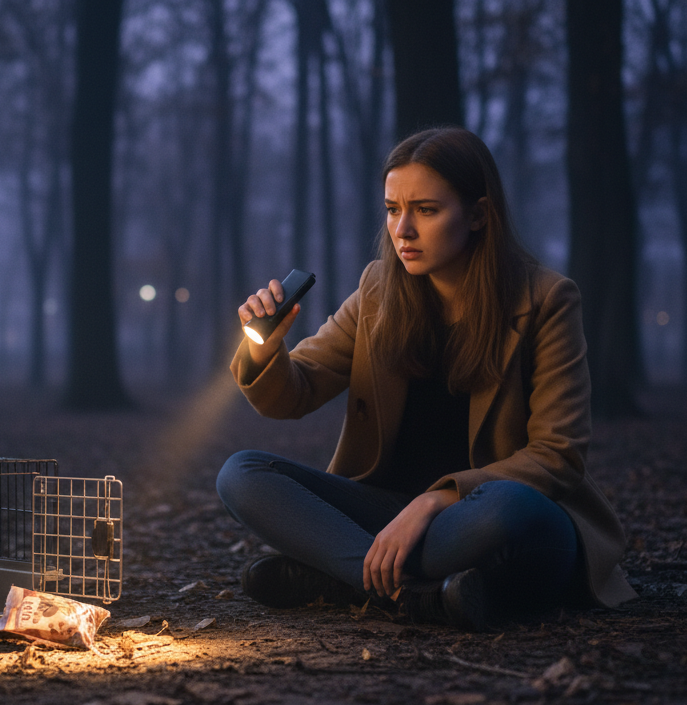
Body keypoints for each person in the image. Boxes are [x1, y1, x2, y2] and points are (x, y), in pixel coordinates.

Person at [216, 127, 636, 629]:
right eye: (393, 209)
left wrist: (437, 499)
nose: (403, 230)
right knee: (241, 473)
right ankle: (410, 592)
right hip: (391, 515)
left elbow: (557, 455)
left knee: (507, 506)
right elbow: (295, 392)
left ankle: (343, 575)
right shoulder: (377, 291)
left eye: (426, 210)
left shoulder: (545, 300)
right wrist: (266, 346)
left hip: (498, 520)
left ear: (478, 215)